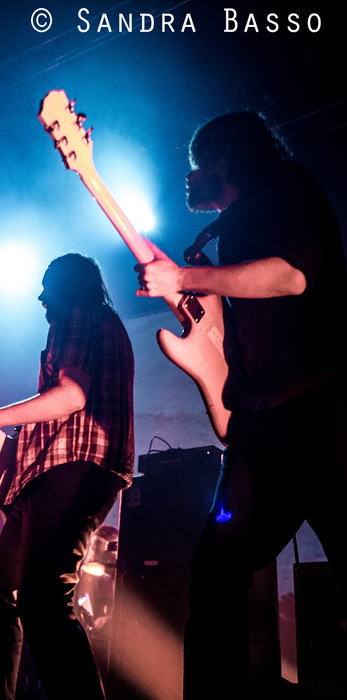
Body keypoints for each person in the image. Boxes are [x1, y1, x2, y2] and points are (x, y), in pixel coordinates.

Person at [135, 111, 347, 699]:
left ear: (227, 156)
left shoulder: (286, 186)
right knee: (216, 571)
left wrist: (187, 278)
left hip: (324, 408)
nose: (189, 177)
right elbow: (237, 321)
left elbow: (290, 277)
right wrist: (196, 289)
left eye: (197, 163)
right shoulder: (231, 227)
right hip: (265, 424)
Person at [0, 252, 134, 700]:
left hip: (73, 466)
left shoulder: (77, 313)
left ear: (68, 285)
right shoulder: (107, 323)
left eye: (47, 286)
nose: (41, 297)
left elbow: (71, 396)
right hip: (53, 472)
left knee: (42, 597)